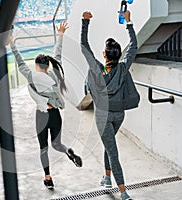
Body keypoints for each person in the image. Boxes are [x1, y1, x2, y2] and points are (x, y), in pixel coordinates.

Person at [9, 21, 82, 190]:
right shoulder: (54, 74)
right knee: (57, 144)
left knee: (44, 148)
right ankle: (68, 151)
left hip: (42, 115)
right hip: (55, 114)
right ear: (48, 65)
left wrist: (13, 45)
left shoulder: (31, 76)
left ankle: (48, 178)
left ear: (36, 65)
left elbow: (20, 62)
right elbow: (57, 54)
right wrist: (61, 34)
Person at [80, 10, 138, 200]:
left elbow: (84, 46)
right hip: (119, 115)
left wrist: (85, 22)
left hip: (103, 116)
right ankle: (106, 178)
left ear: (104, 54)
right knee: (109, 144)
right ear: (117, 55)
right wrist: (128, 23)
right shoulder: (123, 68)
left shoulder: (97, 69)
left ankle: (123, 192)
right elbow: (134, 48)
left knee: (113, 152)